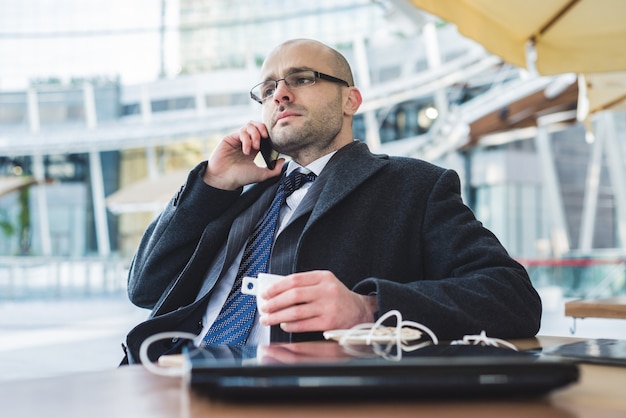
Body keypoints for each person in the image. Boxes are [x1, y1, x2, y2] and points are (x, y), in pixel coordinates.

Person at [122, 38, 541, 364]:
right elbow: (144, 288)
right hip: (171, 376)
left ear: (350, 100)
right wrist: (212, 182)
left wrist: (368, 309)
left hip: (299, 394)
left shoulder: (413, 185)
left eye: (302, 78)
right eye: (267, 89)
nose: (280, 94)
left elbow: (512, 297)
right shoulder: (235, 191)